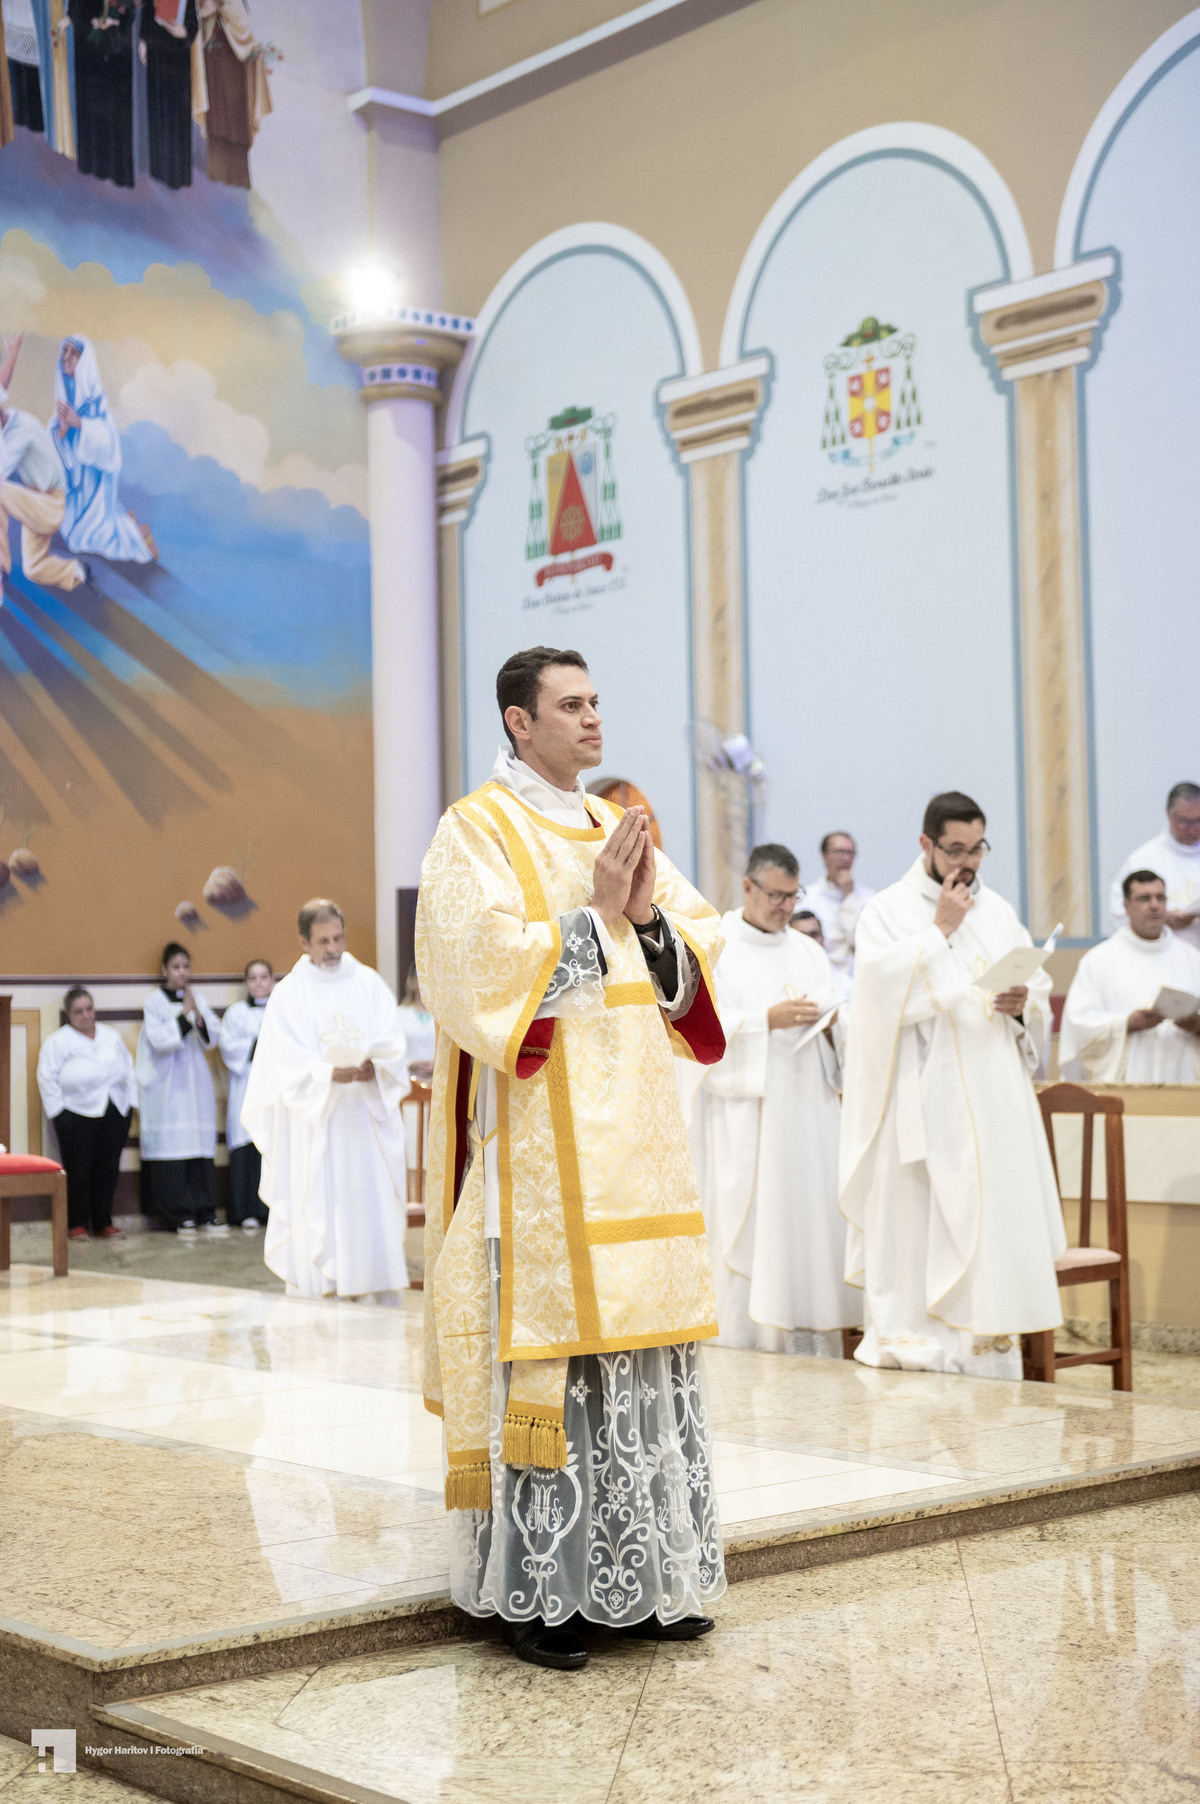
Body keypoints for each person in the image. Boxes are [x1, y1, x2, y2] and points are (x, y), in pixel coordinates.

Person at [417, 644, 727, 1673]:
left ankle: (650, 1578)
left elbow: (695, 965)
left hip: (638, 1145)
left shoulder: (613, 825)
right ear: (520, 720)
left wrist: (643, 915)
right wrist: (595, 915)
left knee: (643, 1368)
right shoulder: (476, 830)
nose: (593, 718)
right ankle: (544, 1592)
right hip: (542, 1156)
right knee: (558, 1373)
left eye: (597, 701)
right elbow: (472, 974)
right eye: (570, 704)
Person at [839, 791, 1065, 1378]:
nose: (967, 862)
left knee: (989, 1222)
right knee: (922, 1220)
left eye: (977, 848)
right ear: (927, 845)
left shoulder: (999, 910)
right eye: (956, 849)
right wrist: (939, 930)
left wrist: (1023, 1003)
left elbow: (1036, 988)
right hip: (921, 1099)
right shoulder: (887, 911)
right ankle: (921, 1341)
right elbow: (875, 998)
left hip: (995, 1097)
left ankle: (987, 1343)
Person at [693, 844, 858, 1356]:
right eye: (776, 896)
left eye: (793, 896)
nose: (786, 907)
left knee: (807, 1221)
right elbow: (701, 1030)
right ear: (747, 887)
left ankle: (811, 1339)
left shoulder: (808, 952)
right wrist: (765, 1021)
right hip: (750, 1116)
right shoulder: (716, 945)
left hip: (808, 1110)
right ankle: (750, 1341)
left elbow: (838, 1011)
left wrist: (834, 1024)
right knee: (757, 1225)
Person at [241, 901, 410, 1303]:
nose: (333, 948)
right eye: (323, 941)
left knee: (366, 1205)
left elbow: (393, 1044)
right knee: (321, 1203)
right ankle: (322, 1287)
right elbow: (281, 1062)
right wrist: (326, 1074)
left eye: (338, 938)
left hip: (363, 1120)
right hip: (316, 1123)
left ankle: (372, 1287)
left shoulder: (368, 983)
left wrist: (376, 1069)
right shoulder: (289, 994)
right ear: (304, 943)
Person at [1062, 872, 1200, 1082]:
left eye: (1160, 898)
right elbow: (1078, 1024)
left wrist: (1197, 1026)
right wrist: (1127, 1023)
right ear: (1126, 906)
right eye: (1144, 898)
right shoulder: (1099, 960)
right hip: (1129, 1079)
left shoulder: (1192, 958)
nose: (1154, 905)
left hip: (1184, 1076)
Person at [137, 942, 225, 1237]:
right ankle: (178, 1214)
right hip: (168, 1085)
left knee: (198, 1146)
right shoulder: (154, 1002)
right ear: (164, 970)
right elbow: (160, 1040)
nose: (182, 972)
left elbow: (212, 1037)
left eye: (186, 967)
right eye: (176, 967)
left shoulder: (197, 998)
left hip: (195, 1083)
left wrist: (197, 1015)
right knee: (173, 1147)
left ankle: (205, 1211)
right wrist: (184, 1015)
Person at [37, 986, 135, 1239]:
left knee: (108, 1166)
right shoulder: (58, 1041)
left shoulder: (110, 1036)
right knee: (79, 1168)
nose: (85, 1015)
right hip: (75, 1112)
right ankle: (77, 1223)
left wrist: (130, 1106)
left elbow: (128, 1068)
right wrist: (59, 1114)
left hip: (113, 1109)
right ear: (69, 1014)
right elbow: (46, 1077)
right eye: (78, 1011)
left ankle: (103, 1222)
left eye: (89, 1009)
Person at [49, 338, 155, 563]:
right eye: (64, 351)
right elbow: (52, 440)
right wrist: (61, 432)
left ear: (84, 360)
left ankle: (136, 535)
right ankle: (126, 524)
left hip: (93, 488)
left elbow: (110, 445)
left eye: (73, 353)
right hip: (72, 492)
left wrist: (80, 424)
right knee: (69, 532)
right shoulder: (64, 399)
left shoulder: (95, 400)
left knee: (88, 539)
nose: (66, 357)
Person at [0, 333, 87, 594]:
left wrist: (14, 354)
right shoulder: (7, 428)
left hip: (51, 504)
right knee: (34, 568)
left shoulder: (21, 431)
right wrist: (13, 354)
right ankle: (78, 571)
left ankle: (0, 573)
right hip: (36, 502)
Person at [1110, 784, 1200, 953]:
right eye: (1184, 821)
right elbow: (1119, 915)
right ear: (1169, 815)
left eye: (1198, 820)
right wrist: (1161, 918)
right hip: (1156, 955)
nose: (1193, 828)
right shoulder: (1143, 859)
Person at [218, 958, 272, 1232]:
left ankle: (270, 1211)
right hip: (245, 1085)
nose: (259, 982)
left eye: (264, 977)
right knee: (246, 1145)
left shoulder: (282, 1011)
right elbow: (228, 1047)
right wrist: (258, 1044)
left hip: (275, 1088)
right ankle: (245, 1210)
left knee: (272, 1147)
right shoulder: (235, 1013)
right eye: (253, 977)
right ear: (246, 982)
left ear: (272, 980)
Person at [196, 0, 273, 189]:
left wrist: (220, 8)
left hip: (234, 60)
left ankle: (238, 179)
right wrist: (205, 13)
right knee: (215, 119)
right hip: (212, 56)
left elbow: (241, 20)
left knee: (236, 119)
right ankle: (216, 176)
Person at [139, 0, 198, 189]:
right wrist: (143, 40)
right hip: (156, 51)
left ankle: (176, 175)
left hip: (177, 56)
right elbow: (147, 10)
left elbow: (192, 22)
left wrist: (183, 32)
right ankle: (158, 169)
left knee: (176, 113)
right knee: (157, 111)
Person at [806, 831, 875, 987]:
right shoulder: (808, 898)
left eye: (850, 853)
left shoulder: (870, 899)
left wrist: (850, 898)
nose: (845, 858)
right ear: (824, 856)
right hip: (820, 980)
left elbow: (866, 944)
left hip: (860, 981)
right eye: (839, 852)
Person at [397, 965, 436, 1081]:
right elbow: (390, 1050)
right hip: (408, 1080)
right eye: (420, 977)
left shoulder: (444, 1016)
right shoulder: (399, 1014)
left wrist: (437, 1064)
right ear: (412, 982)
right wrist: (410, 1064)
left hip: (438, 1080)